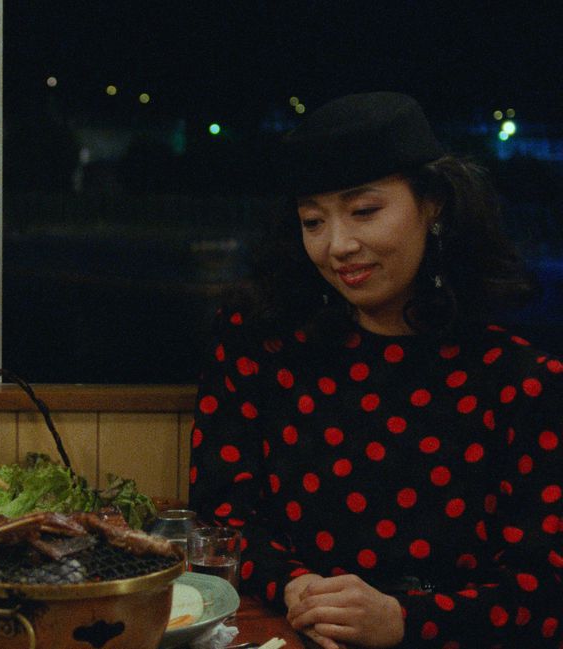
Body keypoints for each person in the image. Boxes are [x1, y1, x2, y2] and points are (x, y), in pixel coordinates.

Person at [188, 92, 561, 649]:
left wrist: (403, 621)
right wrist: (296, 585)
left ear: (433, 204)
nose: (338, 245)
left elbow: (544, 591)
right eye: (313, 220)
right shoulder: (258, 346)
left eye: (364, 211)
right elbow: (220, 520)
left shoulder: (523, 380)